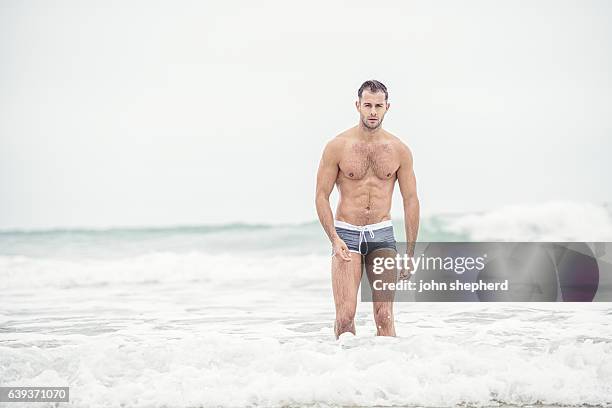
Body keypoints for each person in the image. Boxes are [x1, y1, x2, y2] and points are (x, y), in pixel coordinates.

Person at [315, 80, 420, 338]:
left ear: (387, 107)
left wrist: (409, 252)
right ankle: (345, 374)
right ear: (358, 105)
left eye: (378, 106)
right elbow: (321, 196)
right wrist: (334, 238)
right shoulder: (338, 146)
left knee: (384, 316)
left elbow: (410, 200)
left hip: (382, 235)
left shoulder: (399, 150)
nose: (373, 111)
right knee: (345, 316)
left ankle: (386, 373)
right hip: (346, 235)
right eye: (368, 105)